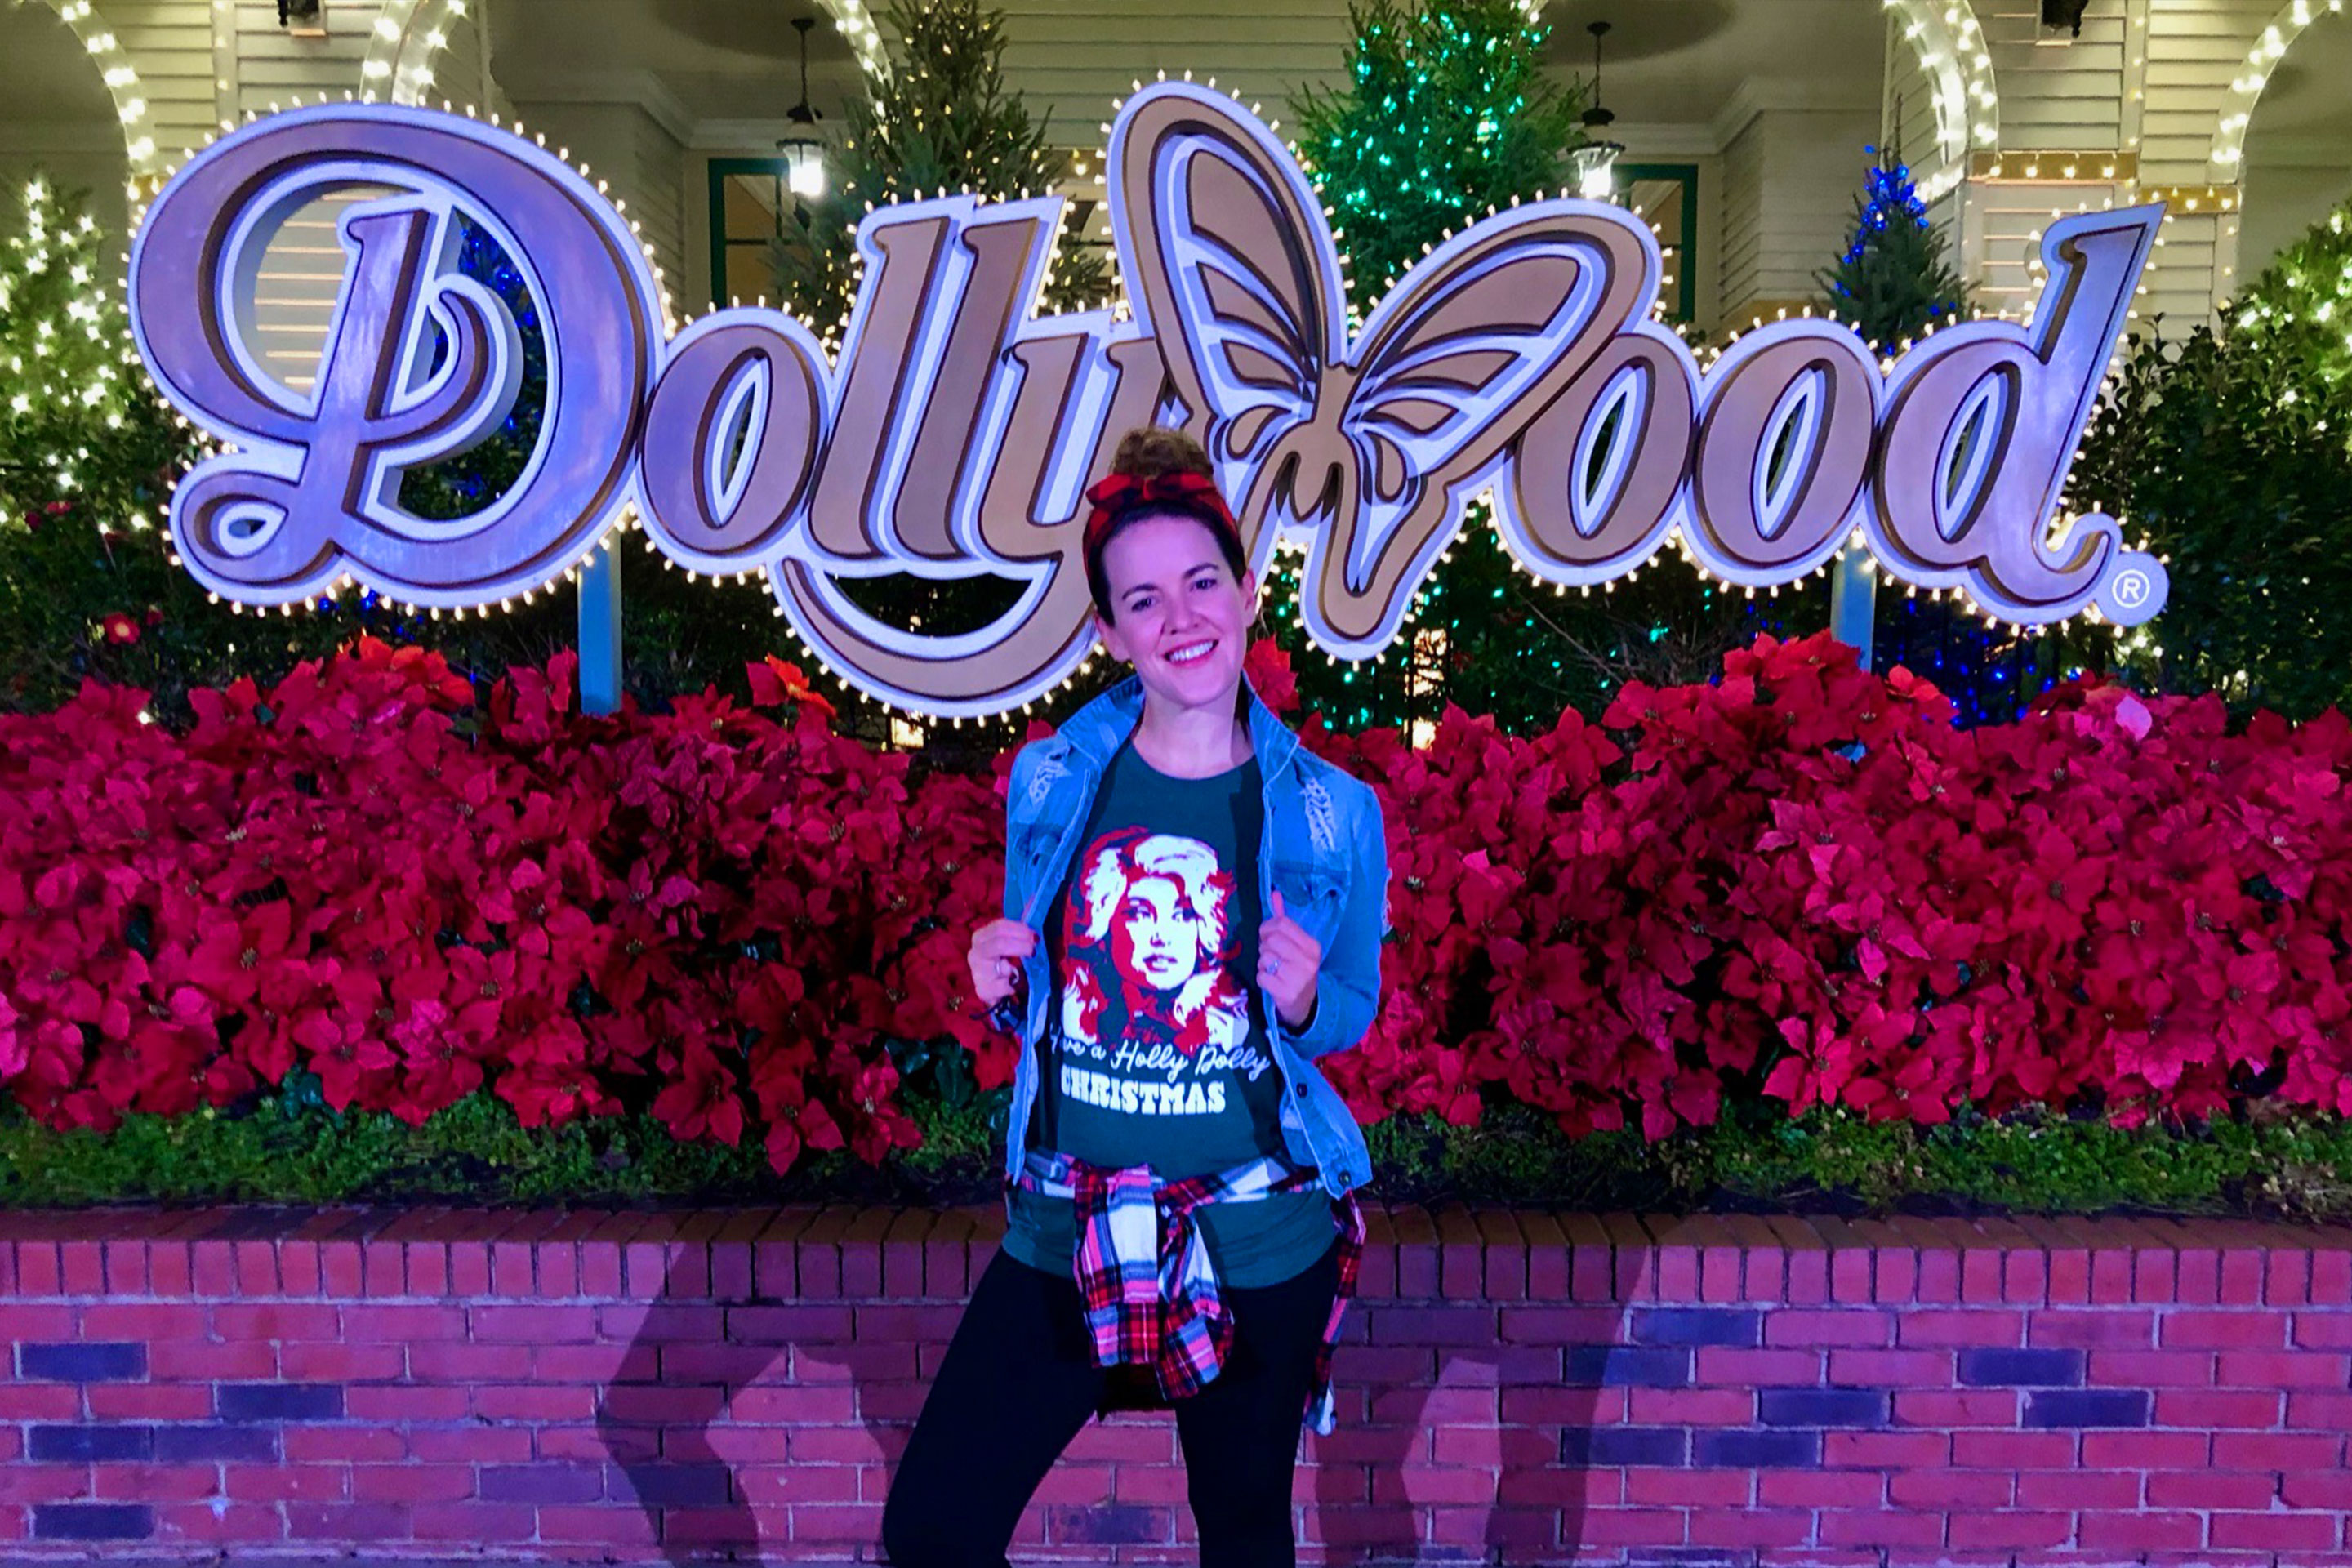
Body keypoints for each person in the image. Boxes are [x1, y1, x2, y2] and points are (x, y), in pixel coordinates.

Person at [880, 426, 1392, 1568]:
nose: (1183, 620)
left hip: (1255, 1232)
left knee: (1244, 1531)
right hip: (1068, 1223)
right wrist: (999, 989)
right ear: (1109, 632)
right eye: (1145, 601)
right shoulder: (1055, 776)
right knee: (933, 1530)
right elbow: (1045, 996)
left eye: (1204, 582)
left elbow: (1349, 1009)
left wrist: (1307, 1004)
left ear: (1249, 590)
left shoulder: (1329, 811)